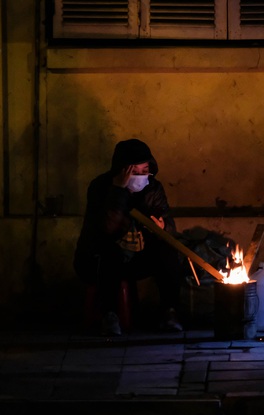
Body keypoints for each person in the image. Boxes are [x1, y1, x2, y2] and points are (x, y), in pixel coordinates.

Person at [74, 138, 185, 336]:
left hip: (139, 257)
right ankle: (110, 315)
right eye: (135, 172)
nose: (141, 177)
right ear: (122, 169)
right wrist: (118, 190)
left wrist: (162, 226)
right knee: (109, 252)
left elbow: (169, 227)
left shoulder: (153, 189)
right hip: (100, 259)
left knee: (168, 252)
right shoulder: (100, 187)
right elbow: (105, 229)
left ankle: (170, 312)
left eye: (145, 171)